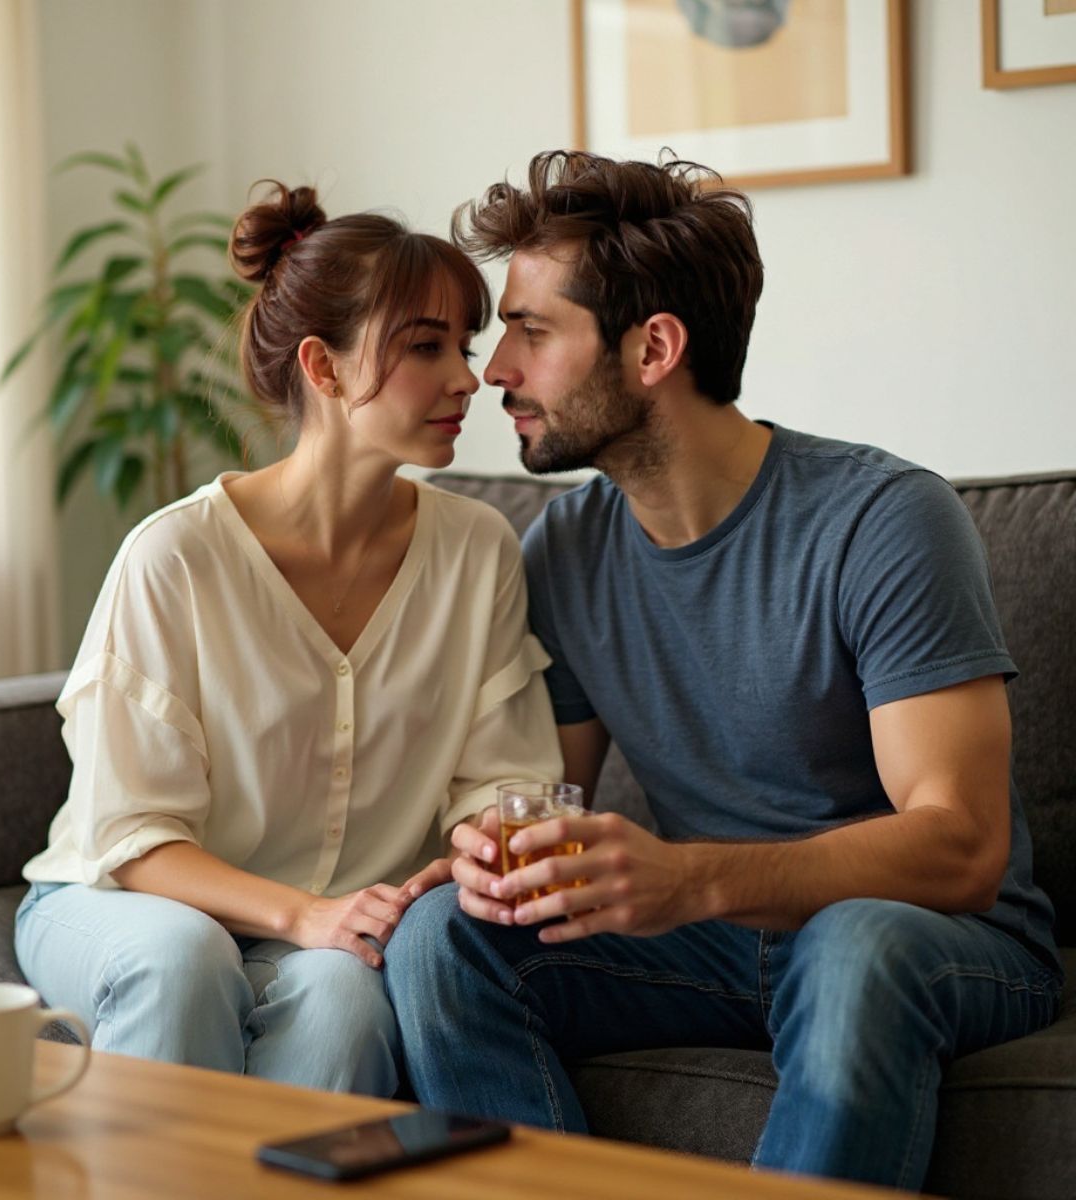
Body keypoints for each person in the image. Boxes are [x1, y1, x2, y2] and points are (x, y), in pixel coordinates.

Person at [383, 151, 1063, 1188]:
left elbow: (963, 848)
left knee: (855, 950)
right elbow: (537, 789)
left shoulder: (883, 522)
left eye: (531, 331)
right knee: (447, 937)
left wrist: (692, 876)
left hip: (934, 939)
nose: (495, 374)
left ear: (654, 347)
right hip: (712, 942)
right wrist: (486, 852)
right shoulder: (562, 553)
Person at [13, 181, 562, 1097]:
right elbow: (133, 836)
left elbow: (500, 779)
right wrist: (306, 913)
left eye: (461, 348)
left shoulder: (478, 550)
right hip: (122, 901)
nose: (468, 378)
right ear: (323, 367)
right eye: (426, 347)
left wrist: (478, 848)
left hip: (335, 926)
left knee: (348, 999)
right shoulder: (175, 558)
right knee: (185, 959)